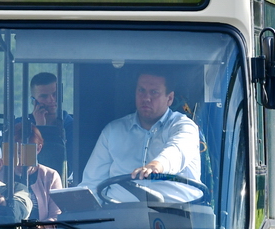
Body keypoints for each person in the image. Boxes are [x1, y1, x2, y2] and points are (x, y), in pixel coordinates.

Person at [81, 69, 201, 201]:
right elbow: (92, 183)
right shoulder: (113, 131)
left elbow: (177, 151)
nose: (146, 98)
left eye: (154, 92)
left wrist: (156, 165)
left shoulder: (184, 126)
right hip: (119, 215)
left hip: (177, 214)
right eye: (141, 90)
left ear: (170, 98)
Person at [20, 72, 74, 174]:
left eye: (55, 94)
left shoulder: (72, 126)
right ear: (33, 100)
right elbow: (24, 163)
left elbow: (70, 166)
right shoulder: (21, 125)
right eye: (44, 96)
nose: (51, 100)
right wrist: (40, 127)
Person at [13, 126, 62, 222]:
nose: (20, 157)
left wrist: (40, 228)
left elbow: (57, 216)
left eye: (25, 151)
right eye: (17, 151)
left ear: (38, 149)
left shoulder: (50, 176)